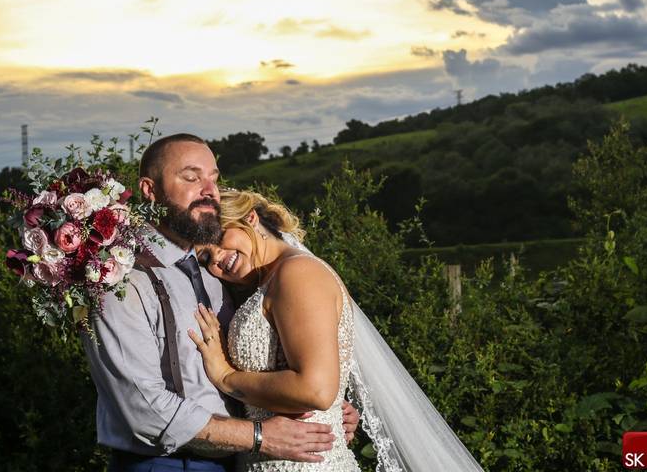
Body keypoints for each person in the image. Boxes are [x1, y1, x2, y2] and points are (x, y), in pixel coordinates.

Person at [83, 134, 359, 472]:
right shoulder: (121, 277)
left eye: (213, 177)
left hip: (246, 459)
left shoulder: (220, 276)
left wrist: (324, 405)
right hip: (169, 463)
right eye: (191, 176)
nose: (208, 189)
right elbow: (143, 408)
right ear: (149, 189)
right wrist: (258, 436)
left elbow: (281, 361)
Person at [190, 189, 485, 472]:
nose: (215, 258)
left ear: (250, 220)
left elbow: (316, 390)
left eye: (218, 238)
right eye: (205, 258)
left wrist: (226, 377)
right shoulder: (267, 283)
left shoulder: (297, 274)